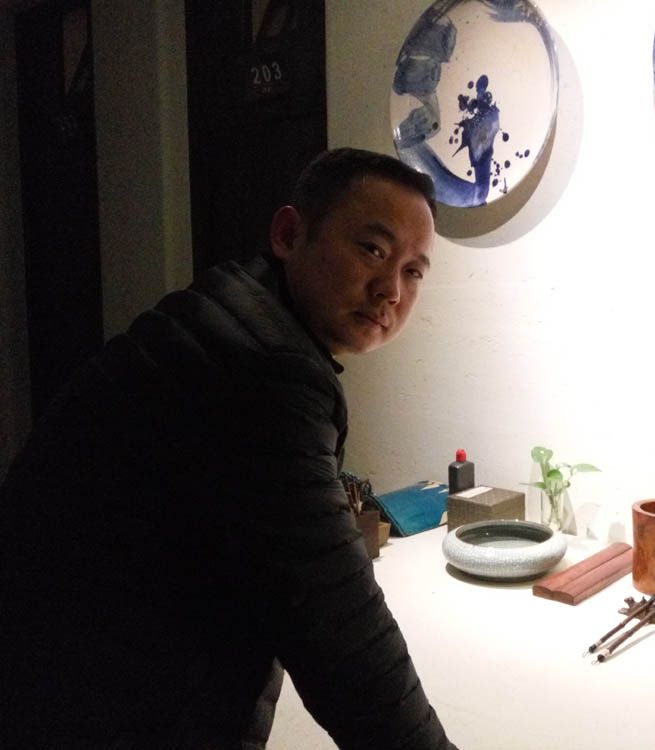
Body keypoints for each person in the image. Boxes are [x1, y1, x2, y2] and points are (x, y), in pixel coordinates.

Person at [0, 148, 457, 749]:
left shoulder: (228, 314)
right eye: (372, 249)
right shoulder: (263, 370)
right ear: (289, 234)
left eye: (413, 271)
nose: (390, 290)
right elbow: (340, 631)